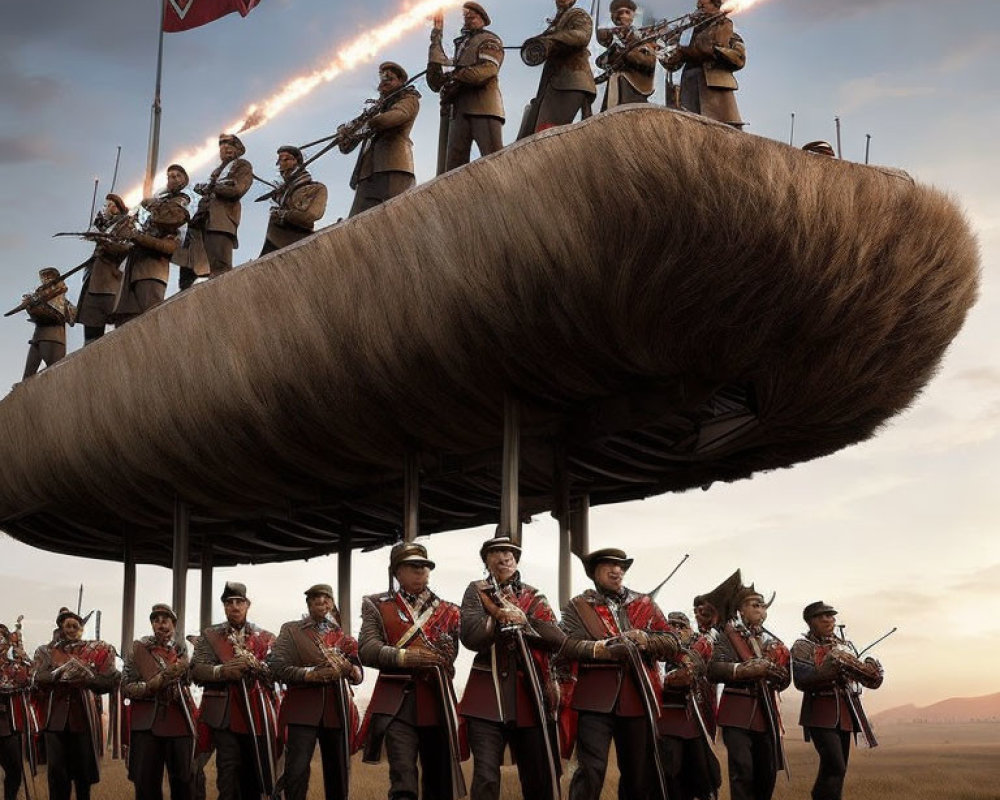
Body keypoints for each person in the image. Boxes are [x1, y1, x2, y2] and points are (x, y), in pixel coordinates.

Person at [459, 534, 592, 800]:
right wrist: (497, 618)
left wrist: (523, 620)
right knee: (485, 777)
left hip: (530, 695)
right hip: (486, 697)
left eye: (509, 553)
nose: (504, 557)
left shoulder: (534, 597)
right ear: (486, 561)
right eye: (496, 552)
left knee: (540, 776)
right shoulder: (476, 591)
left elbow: (557, 638)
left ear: (516, 560)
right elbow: (470, 637)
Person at [559, 548, 678, 800]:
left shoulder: (644, 604)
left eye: (621, 566)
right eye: (610, 565)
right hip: (594, 700)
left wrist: (645, 640)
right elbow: (565, 645)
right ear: (594, 572)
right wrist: (602, 649)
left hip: (637, 697)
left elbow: (672, 643)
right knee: (591, 771)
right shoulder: (577, 606)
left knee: (638, 775)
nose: (617, 571)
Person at [358, 542, 463, 800]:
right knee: (403, 780)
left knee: (440, 782)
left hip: (436, 698)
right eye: (412, 566)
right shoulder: (376, 605)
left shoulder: (449, 610)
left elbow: (453, 654)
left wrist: (445, 657)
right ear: (397, 572)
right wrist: (406, 656)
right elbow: (368, 649)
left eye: (424, 567)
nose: (420, 572)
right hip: (397, 702)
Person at [267, 583, 362, 800]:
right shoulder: (291, 630)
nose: (322, 602)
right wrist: (309, 674)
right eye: (316, 599)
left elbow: (358, 673)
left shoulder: (343, 636)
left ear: (332, 603)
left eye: (326, 598)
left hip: (336, 711)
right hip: (302, 709)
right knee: (296, 771)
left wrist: (351, 670)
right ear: (308, 604)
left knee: (338, 771)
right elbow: (276, 668)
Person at [190, 582, 277, 800]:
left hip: (256, 714)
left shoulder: (266, 637)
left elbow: (277, 672)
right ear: (224, 607)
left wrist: (257, 667)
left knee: (253, 775)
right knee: (227, 775)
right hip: (224, 715)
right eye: (229, 603)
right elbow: (196, 671)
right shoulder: (209, 636)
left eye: (239, 602)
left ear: (248, 605)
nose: (235, 607)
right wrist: (222, 671)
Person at [791, 602, 884, 800]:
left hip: (846, 712)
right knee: (835, 765)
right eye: (821, 616)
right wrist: (832, 666)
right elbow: (801, 679)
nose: (827, 619)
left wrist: (868, 666)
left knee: (838, 770)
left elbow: (865, 677)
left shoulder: (846, 645)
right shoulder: (802, 646)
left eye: (830, 616)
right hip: (819, 712)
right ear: (810, 622)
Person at [708, 584, 790, 800]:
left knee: (767, 774)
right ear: (740, 610)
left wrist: (778, 673)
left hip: (766, 714)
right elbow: (713, 668)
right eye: (755, 605)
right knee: (742, 771)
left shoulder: (774, 643)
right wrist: (742, 670)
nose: (760, 610)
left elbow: (785, 681)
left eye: (763, 606)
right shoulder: (726, 635)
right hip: (736, 712)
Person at [32, 607, 119, 800]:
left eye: (76, 626)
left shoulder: (94, 651)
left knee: (83, 776)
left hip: (83, 718)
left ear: (81, 629)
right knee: (57, 776)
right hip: (55, 718)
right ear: (61, 627)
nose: (71, 629)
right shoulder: (46, 651)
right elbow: (37, 677)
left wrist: (86, 678)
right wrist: (60, 674)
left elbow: (108, 682)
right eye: (68, 625)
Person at [121, 603, 196, 800]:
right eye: (156, 620)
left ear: (173, 625)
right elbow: (126, 687)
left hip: (179, 722)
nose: (160, 625)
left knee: (184, 783)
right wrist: (155, 683)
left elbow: (190, 680)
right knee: (146, 784)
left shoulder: (181, 651)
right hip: (148, 723)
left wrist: (187, 667)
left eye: (165, 620)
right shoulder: (138, 649)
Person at [427, 2, 505, 172]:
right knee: (454, 169)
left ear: (482, 19)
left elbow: (487, 70)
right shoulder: (462, 45)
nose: (468, 19)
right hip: (460, 111)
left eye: (473, 16)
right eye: (466, 16)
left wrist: (457, 76)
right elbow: (438, 77)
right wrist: (436, 34)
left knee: (495, 159)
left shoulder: (489, 40)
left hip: (484, 108)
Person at [112, 167, 190, 323]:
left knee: (152, 320)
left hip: (152, 270)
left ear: (184, 180)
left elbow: (170, 244)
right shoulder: (159, 203)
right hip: (134, 267)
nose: (172, 179)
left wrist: (138, 236)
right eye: (169, 176)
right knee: (128, 321)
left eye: (177, 176)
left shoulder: (180, 205)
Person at [342, 63, 420, 217]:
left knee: (397, 217)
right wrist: (347, 132)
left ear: (400, 82)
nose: (384, 82)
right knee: (355, 222)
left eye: (389, 79)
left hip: (394, 167)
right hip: (367, 174)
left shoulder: (408, 99)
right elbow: (345, 147)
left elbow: (398, 116)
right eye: (382, 78)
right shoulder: (375, 108)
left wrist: (369, 121)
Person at [659, 611, 721, 800]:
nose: (676, 630)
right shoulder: (660, 648)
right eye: (672, 625)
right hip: (666, 720)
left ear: (689, 629)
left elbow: (704, 669)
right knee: (670, 772)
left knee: (703, 772)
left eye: (681, 626)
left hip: (696, 718)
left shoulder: (703, 645)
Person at [176, 135, 253, 289]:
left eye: (231, 145)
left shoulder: (242, 165)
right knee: (206, 268)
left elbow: (237, 189)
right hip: (206, 220)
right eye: (222, 146)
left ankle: (226, 298)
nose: (226, 148)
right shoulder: (218, 171)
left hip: (221, 220)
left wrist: (210, 187)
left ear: (238, 150)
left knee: (221, 267)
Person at [517, 0, 597, 139]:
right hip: (553, 85)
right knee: (533, 137)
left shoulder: (578, 14)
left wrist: (551, 39)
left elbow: (581, 36)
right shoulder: (556, 21)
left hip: (570, 83)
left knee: (546, 136)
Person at [661, 0, 746, 128]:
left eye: (703, 6)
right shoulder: (688, 32)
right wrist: (664, 50)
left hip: (714, 89)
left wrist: (712, 48)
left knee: (722, 129)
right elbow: (672, 63)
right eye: (698, 7)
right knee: (689, 129)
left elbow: (738, 59)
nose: (698, 10)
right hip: (690, 84)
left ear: (715, 5)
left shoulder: (727, 29)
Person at [77, 193, 132, 344]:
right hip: (92, 281)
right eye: (107, 205)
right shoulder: (101, 226)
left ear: (120, 209)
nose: (109, 208)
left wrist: (103, 240)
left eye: (113, 205)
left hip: (110, 282)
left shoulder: (125, 224)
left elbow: (124, 248)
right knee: (91, 334)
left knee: (122, 329)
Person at [258, 145, 328, 257]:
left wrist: (283, 214)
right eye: (280, 160)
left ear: (297, 162)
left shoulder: (316, 188)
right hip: (275, 239)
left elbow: (310, 215)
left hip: (299, 238)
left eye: (286, 159)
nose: (282, 163)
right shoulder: (281, 194)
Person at [595, 0, 657, 110]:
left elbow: (650, 61)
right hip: (616, 85)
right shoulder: (612, 35)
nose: (623, 16)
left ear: (633, 15)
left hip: (636, 87)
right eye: (619, 13)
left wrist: (628, 53)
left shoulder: (642, 37)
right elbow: (603, 39)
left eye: (627, 12)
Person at [21, 267, 76, 379]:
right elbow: (37, 312)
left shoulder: (59, 296)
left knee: (56, 374)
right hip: (38, 336)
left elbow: (70, 317)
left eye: (47, 277)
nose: (44, 280)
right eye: (43, 277)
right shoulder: (41, 294)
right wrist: (30, 303)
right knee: (27, 378)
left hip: (53, 338)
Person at [0, 621, 34, 800]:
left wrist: (19, 647)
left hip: (8, 726)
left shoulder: (14, 665)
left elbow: (29, 678)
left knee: (15, 771)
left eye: (2, 639)